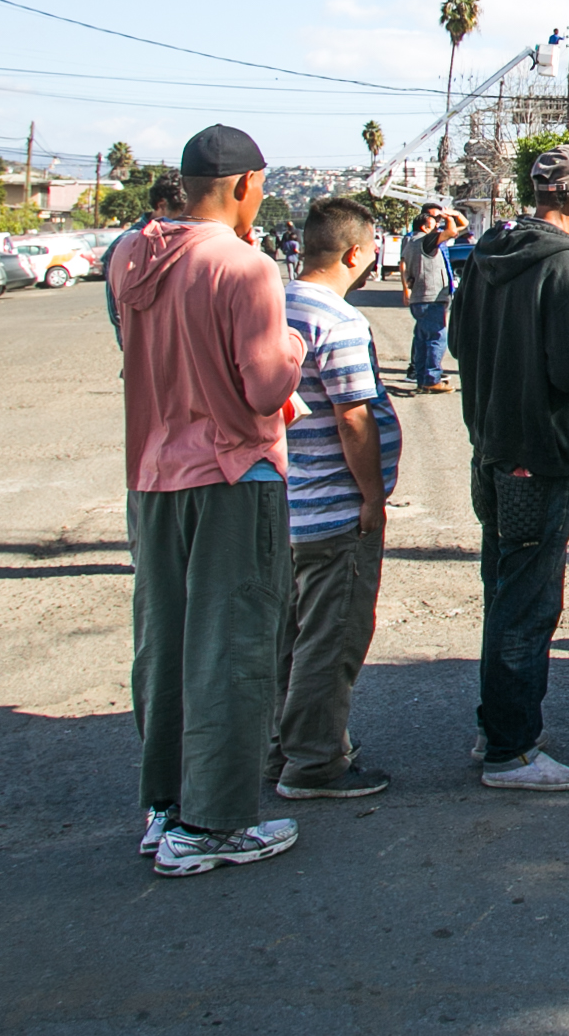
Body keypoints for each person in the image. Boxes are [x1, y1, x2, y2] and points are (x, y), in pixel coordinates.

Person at [107, 124, 305, 877]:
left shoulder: (131, 253)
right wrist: (293, 348)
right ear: (246, 185)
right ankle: (214, 822)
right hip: (232, 476)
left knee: (164, 642)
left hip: (153, 473)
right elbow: (262, 386)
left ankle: (165, 807)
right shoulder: (245, 266)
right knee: (232, 645)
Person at [449, 144, 569, 791]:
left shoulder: (490, 250)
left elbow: (461, 342)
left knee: (504, 588)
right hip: (541, 452)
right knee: (528, 600)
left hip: (491, 444)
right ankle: (512, 750)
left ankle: (498, 727)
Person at [271, 195, 399, 803]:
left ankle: (278, 748)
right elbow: (354, 420)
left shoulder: (273, 306)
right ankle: (316, 762)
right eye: (373, 249)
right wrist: (372, 498)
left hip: (283, 504)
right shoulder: (338, 322)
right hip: (332, 510)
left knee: (288, 637)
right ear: (354, 253)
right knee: (331, 639)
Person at [105, 174, 189, 347]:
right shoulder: (130, 244)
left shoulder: (177, 239)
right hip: (143, 349)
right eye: (181, 214)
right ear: (161, 205)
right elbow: (118, 309)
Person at [400, 205, 459, 394]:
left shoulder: (410, 243)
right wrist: (449, 216)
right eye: (434, 225)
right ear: (425, 228)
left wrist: (406, 289)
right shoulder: (426, 240)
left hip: (419, 297)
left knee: (422, 340)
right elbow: (452, 231)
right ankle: (432, 378)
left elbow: (405, 269)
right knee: (436, 338)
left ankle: (421, 377)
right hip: (431, 297)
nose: (437, 229)